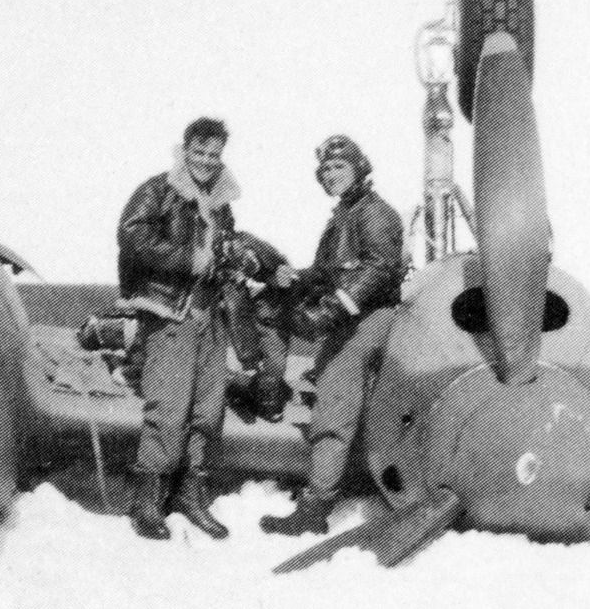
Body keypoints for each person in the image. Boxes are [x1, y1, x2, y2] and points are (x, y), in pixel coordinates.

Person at [259, 134, 406, 536]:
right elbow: (330, 271)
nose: (330, 175)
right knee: (330, 391)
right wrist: (295, 278)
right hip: (351, 318)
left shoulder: (375, 214)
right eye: (325, 170)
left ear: (359, 168)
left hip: (368, 318)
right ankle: (327, 482)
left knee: (333, 404)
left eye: (339, 167)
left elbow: (378, 269)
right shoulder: (345, 214)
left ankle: (316, 506)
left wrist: (331, 309)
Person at [115, 117, 251, 540]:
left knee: (207, 412)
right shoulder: (157, 190)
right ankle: (147, 503)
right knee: (168, 409)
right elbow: (131, 235)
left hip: (211, 314)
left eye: (215, 154)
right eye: (199, 152)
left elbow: (222, 249)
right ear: (185, 149)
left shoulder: (220, 203)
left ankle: (190, 497)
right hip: (171, 312)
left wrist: (235, 260)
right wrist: (188, 259)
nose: (207, 161)